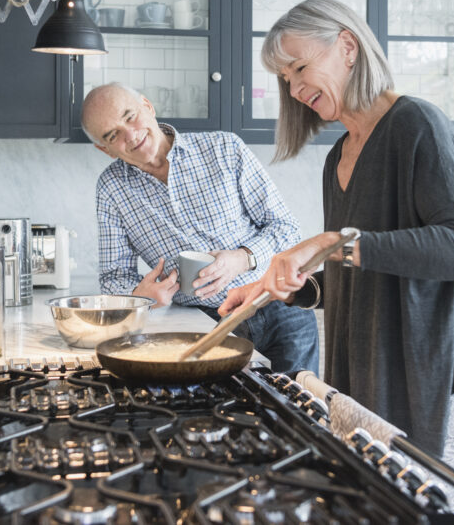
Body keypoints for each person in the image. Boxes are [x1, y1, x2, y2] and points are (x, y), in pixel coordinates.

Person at [218, 0, 454, 516]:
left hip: (451, 376)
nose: (294, 89)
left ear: (347, 46)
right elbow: (360, 268)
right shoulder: (339, 155)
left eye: (299, 68)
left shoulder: (416, 124)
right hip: (389, 373)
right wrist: (294, 286)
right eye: (285, 78)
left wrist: (332, 242)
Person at [81, 82, 320, 374]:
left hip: (280, 305)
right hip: (206, 323)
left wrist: (242, 257)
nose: (130, 135)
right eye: (112, 135)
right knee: (227, 414)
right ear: (103, 149)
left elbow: (286, 229)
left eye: (130, 116)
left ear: (147, 105)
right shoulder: (111, 189)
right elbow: (113, 277)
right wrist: (140, 296)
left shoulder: (224, 148)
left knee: (297, 408)